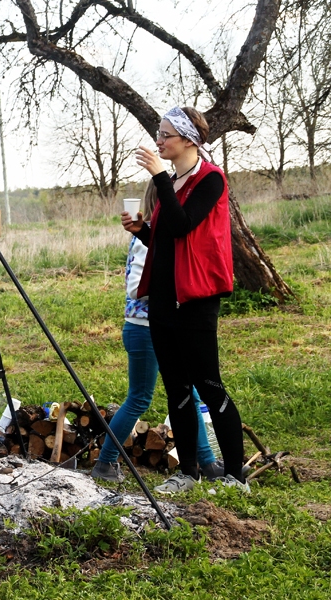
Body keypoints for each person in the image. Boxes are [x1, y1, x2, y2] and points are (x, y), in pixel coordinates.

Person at [122, 106, 248, 493]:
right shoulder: (172, 184)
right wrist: (143, 231)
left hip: (196, 299)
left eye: (165, 134)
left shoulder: (211, 179)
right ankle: (187, 473)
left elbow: (182, 225)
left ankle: (235, 477)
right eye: (158, 134)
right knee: (176, 387)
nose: (159, 140)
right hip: (161, 301)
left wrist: (159, 178)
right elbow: (168, 242)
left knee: (208, 384)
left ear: (188, 140)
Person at [91, 181, 222, 485]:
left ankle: (208, 462)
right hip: (145, 328)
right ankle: (106, 462)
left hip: (163, 326)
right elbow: (137, 287)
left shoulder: (161, 235)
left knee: (187, 392)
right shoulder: (145, 236)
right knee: (139, 398)